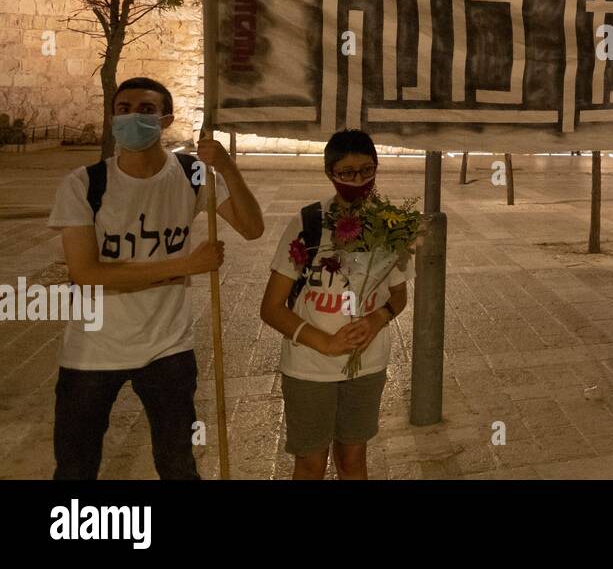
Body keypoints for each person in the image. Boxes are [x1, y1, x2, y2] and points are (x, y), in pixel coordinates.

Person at [47, 77, 265, 479]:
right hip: (91, 352)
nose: (133, 116)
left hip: (168, 347)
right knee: (76, 468)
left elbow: (252, 228)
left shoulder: (191, 176)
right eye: (124, 108)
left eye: (146, 109)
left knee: (178, 463)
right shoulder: (84, 184)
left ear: (166, 120)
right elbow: (88, 273)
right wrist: (183, 266)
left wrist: (229, 169)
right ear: (113, 118)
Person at [260, 129, 410, 479]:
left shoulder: (391, 226)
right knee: (311, 463)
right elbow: (271, 308)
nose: (358, 181)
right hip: (309, 367)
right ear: (330, 174)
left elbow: (399, 296)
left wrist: (378, 319)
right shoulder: (309, 225)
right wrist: (325, 343)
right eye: (347, 173)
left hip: (366, 366)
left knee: (353, 458)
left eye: (367, 170)